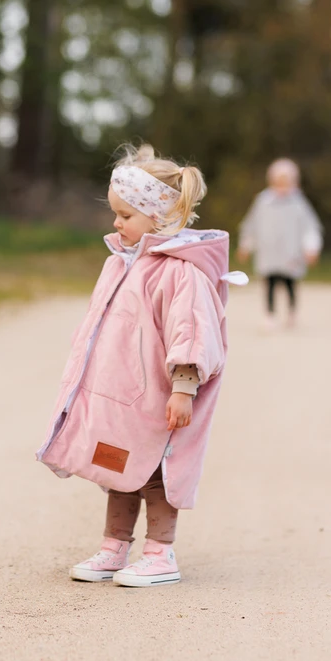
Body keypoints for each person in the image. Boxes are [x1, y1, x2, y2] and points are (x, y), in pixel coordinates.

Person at [36, 144, 245, 587]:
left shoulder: (179, 272)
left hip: (159, 395)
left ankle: (160, 553)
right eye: (115, 212)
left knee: (155, 474)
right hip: (120, 395)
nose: (116, 222)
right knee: (118, 471)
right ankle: (114, 546)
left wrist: (184, 387)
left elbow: (191, 332)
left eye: (126, 215)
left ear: (160, 216)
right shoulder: (121, 263)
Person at [236, 158, 323, 328]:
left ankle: (291, 312)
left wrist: (311, 248)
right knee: (269, 283)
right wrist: (246, 245)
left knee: (290, 283)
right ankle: (270, 315)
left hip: (291, 252)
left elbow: (309, 227)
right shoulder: (263, 201)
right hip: (268, 252)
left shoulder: (298, 203)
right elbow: (252, 225)